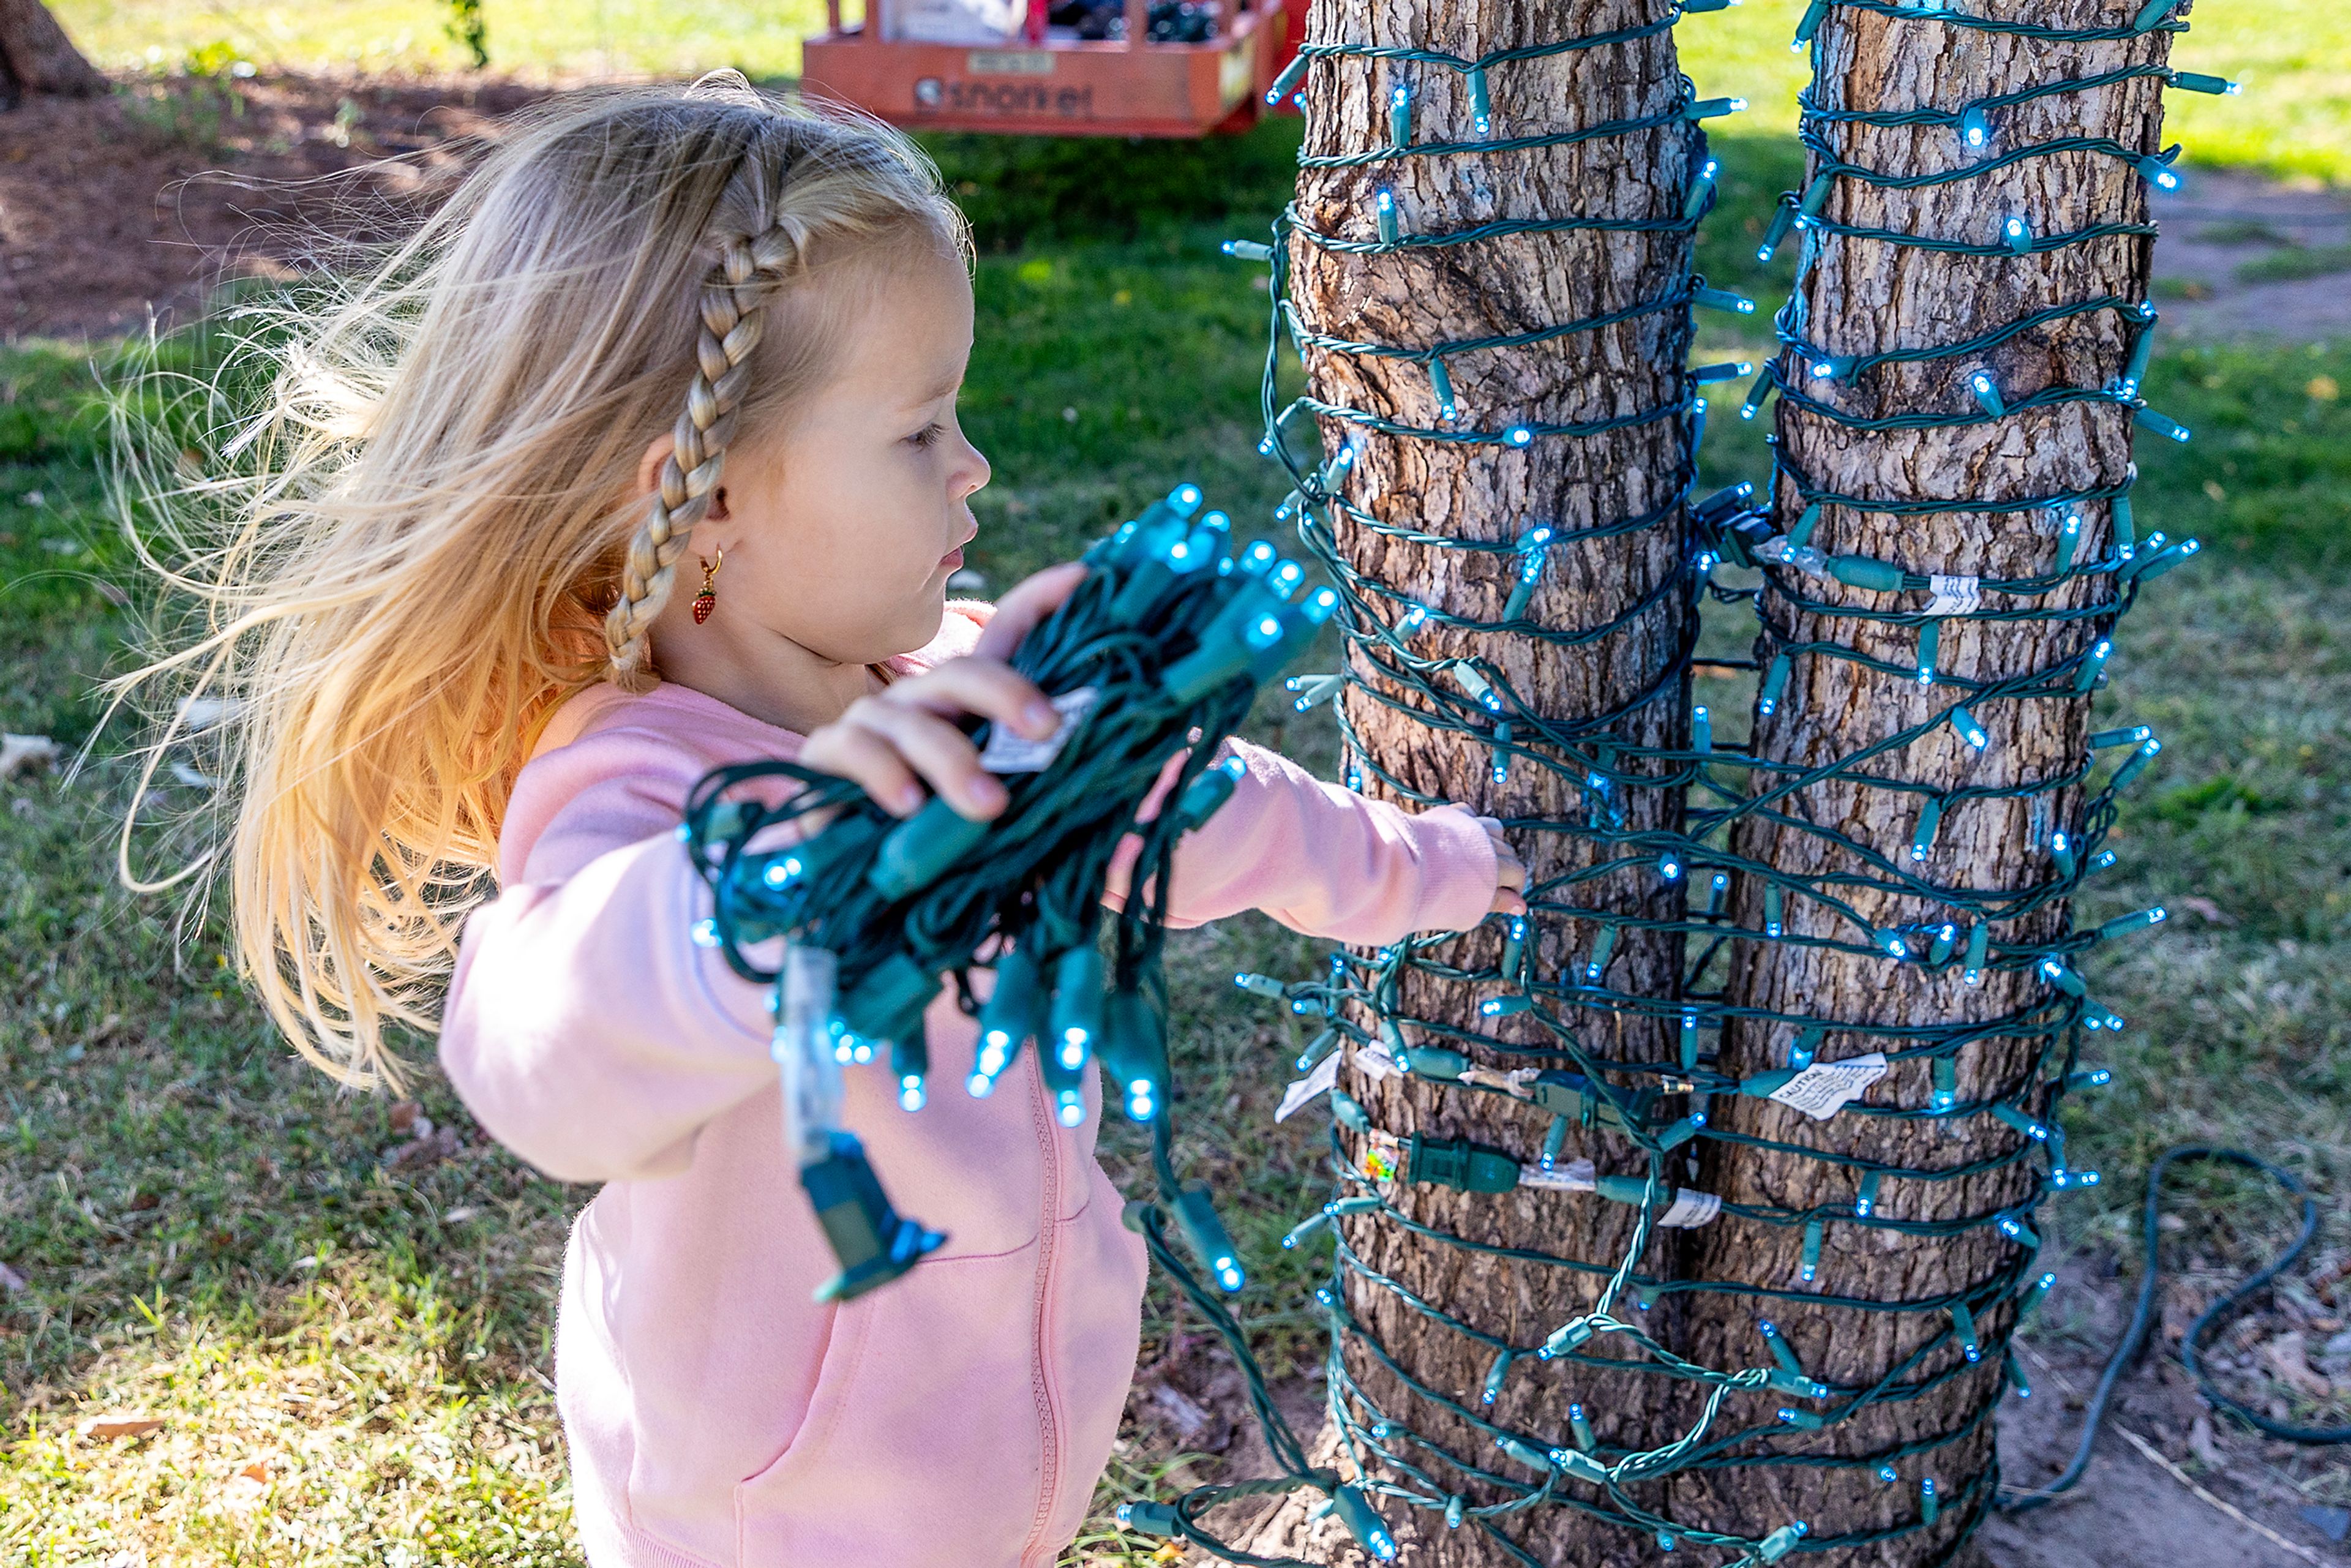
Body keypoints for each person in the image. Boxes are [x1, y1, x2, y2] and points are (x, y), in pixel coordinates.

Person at [127, 76, 1524, 1568]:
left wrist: (1435, 866)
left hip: (998, 1476)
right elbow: (546, 1056)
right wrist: (796, 879)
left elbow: (1198, 809)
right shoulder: (644, 789)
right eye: (921, 429)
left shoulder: (946, 700)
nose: (973, 465)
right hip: (760, 1524)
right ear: (708, 499)